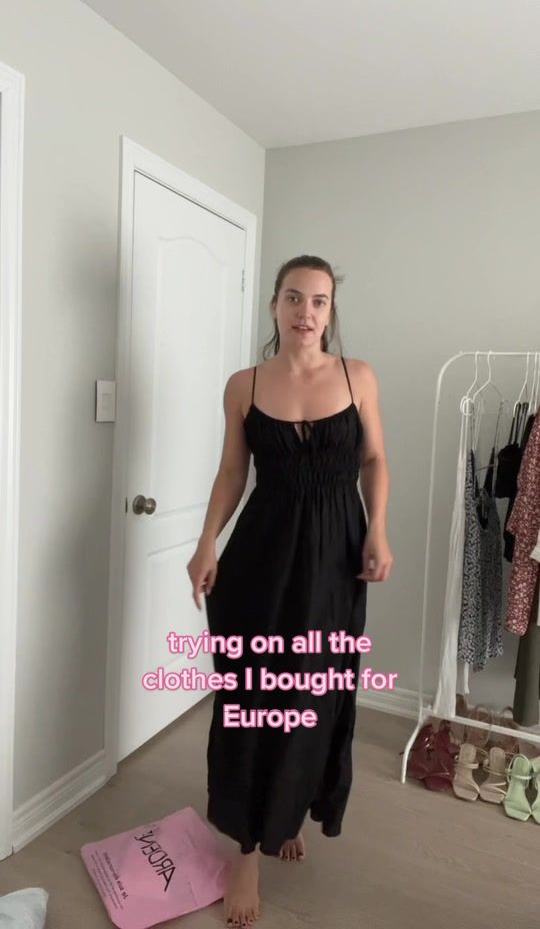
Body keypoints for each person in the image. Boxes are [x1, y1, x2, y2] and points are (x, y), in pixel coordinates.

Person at [187, 255, 393, 928]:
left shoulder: (357, 376)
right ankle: (247, 847)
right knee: (253, 696)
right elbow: (232, 471)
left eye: (320, 301)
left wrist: (378, 530)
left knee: (314, 696)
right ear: (274, 304)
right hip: (262, 559)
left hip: (334, 560)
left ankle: (287, 813)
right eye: (294, 297)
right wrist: (206, 541)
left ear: (331, 311)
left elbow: (374, 459)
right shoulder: (244, 385)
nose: (306, 312)